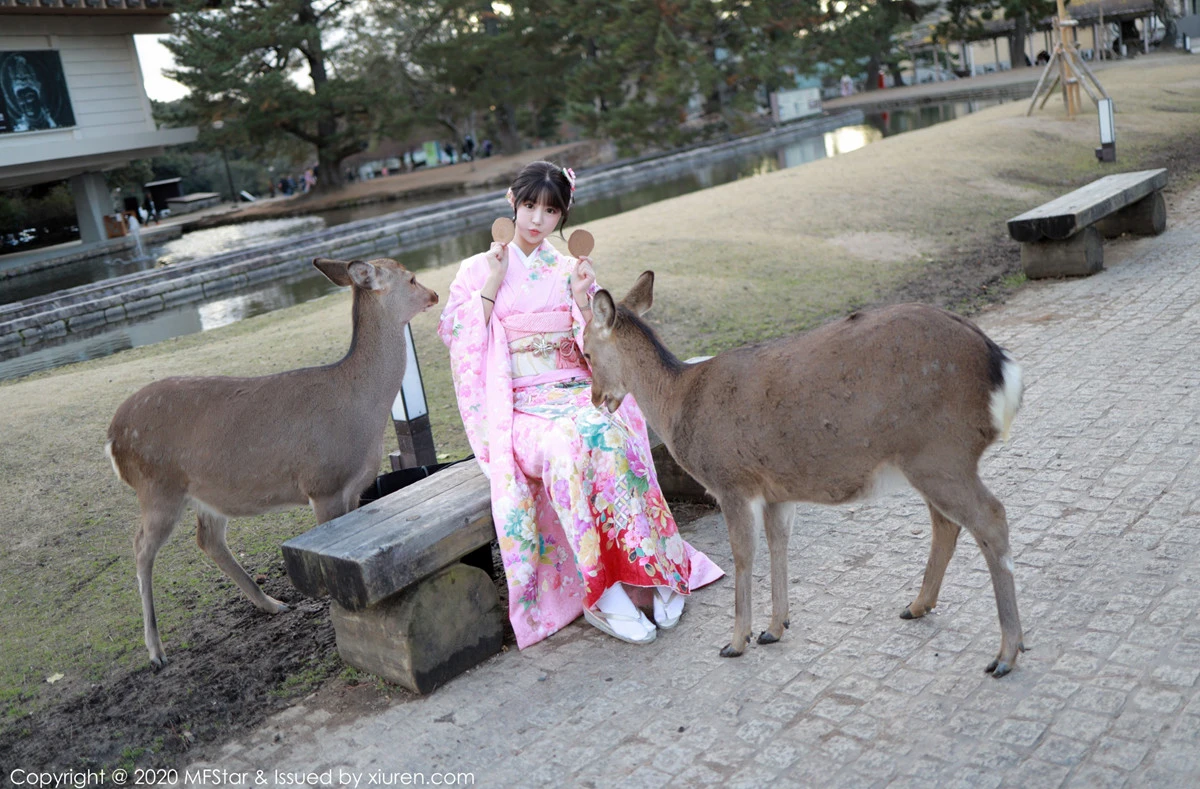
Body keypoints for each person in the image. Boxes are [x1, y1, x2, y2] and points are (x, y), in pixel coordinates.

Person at [438, 162, 722, 648]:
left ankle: (649, 569)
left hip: (573, 389)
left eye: (550, 211)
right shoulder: (476, 269)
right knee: (568, 447)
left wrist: (579, 300)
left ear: (561, 216)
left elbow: (599, 343)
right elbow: (458, 339)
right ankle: (602, 588)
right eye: (529, 206)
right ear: (512, 201)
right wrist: (493, 281)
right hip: (522, 407)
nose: (536, 220)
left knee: (611, 436)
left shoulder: (570, 269)